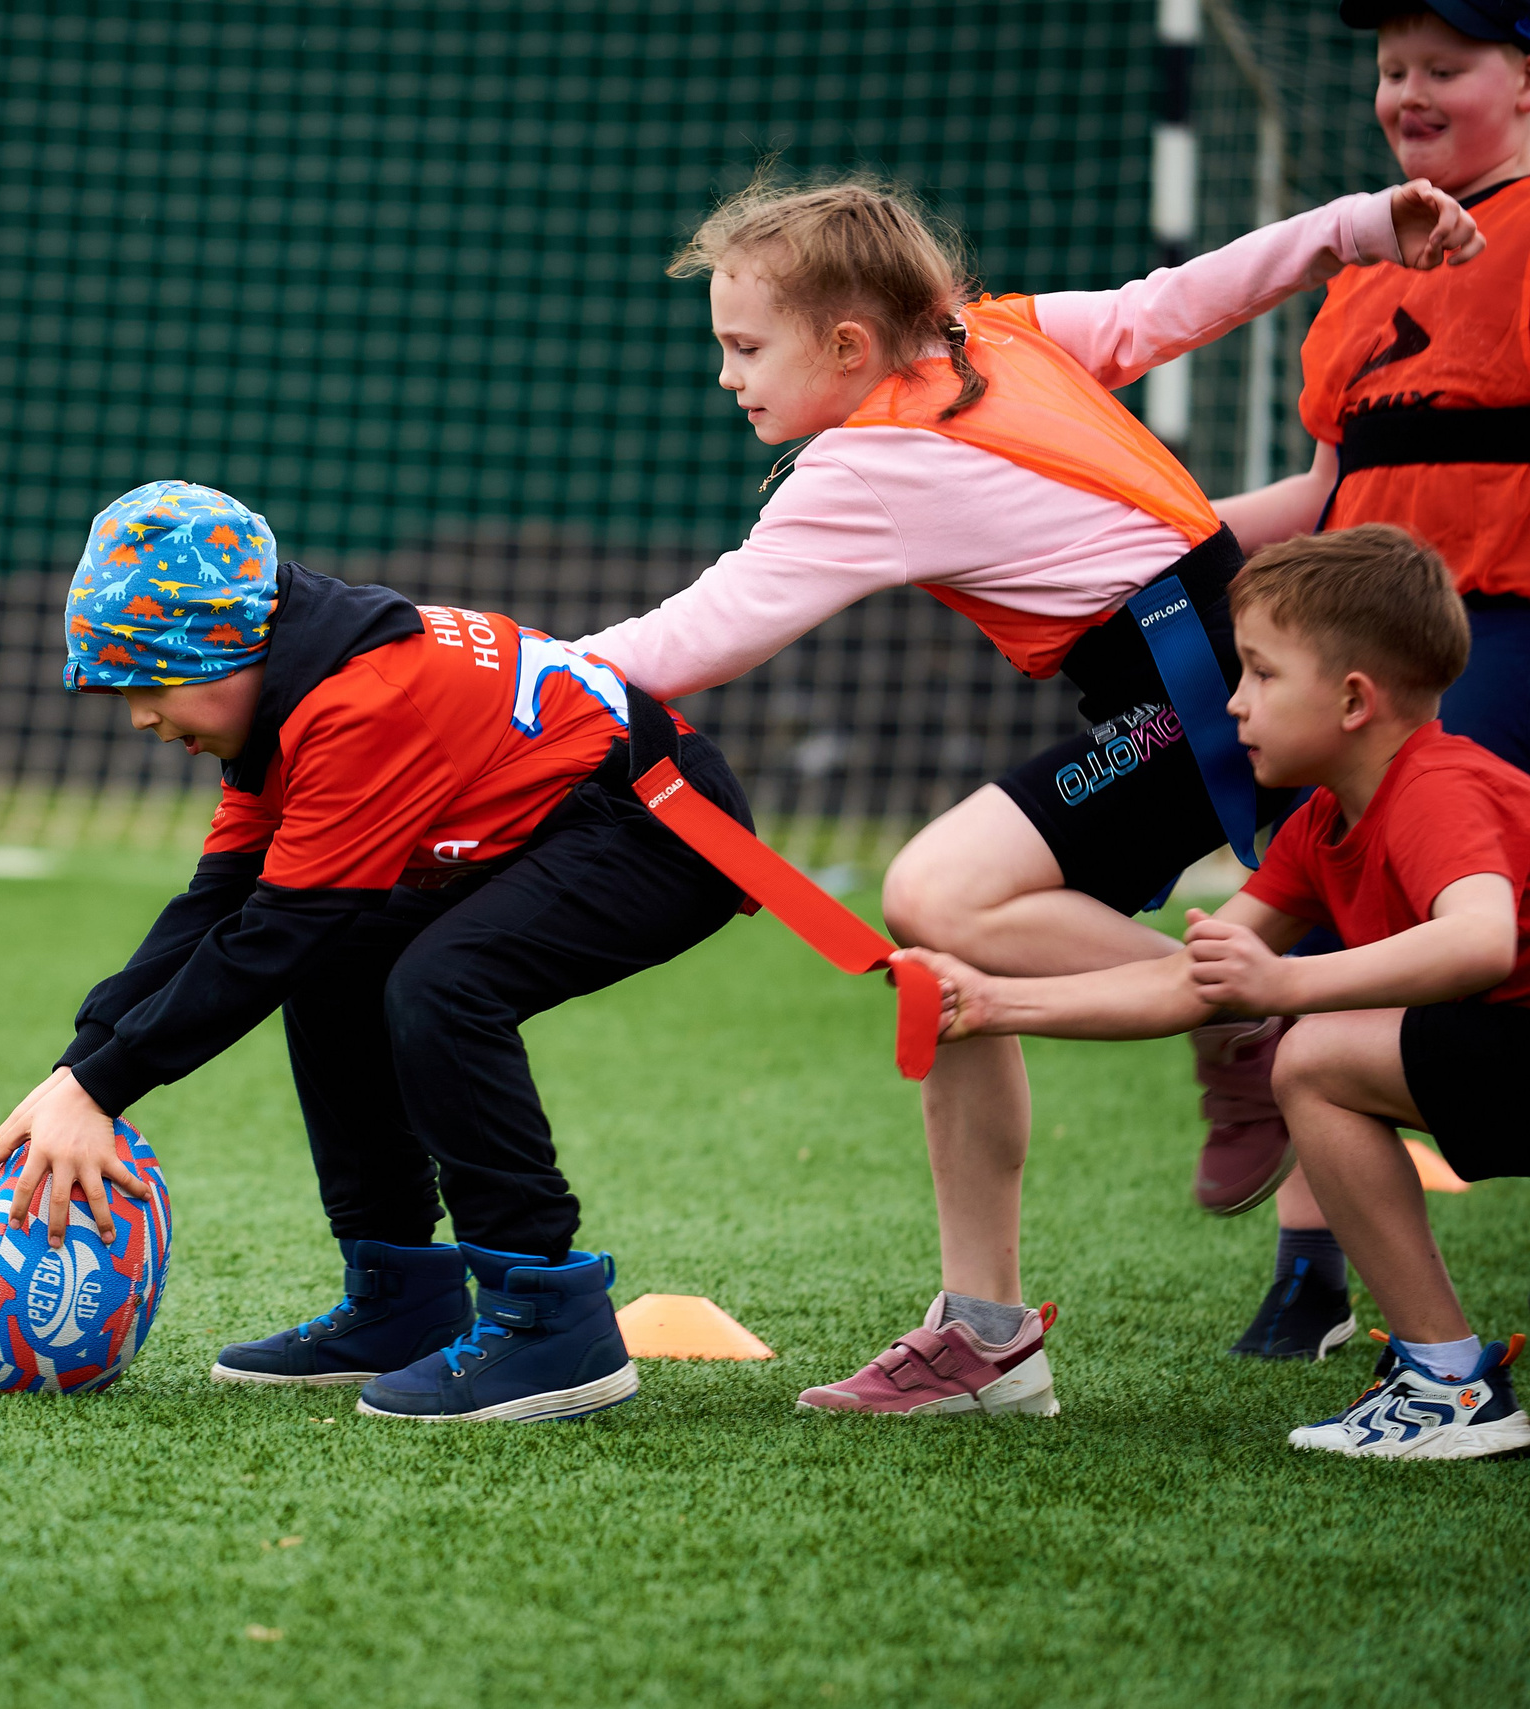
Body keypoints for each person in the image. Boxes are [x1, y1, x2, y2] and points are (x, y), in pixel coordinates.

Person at [572, 174, 1481, 1416]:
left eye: (744, 346)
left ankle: (1243, 1016)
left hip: (1201, 693)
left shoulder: (867, 460)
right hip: (1202, 668)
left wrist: (513, 672)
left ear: (848, 346)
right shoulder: (991, 334)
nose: (727, 376)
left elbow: (696, 636)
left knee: (934, 890)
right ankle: (984, 1333)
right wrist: (1354, 224)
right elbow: (1180, 299)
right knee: (940, 955)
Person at [0, 480, 755, 1423]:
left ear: (219, 652)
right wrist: (79, 1069)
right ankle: (402, 1298)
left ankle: (550, 1319)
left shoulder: (361, 701)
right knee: (339, 965)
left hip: (660, 825)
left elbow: (276, 934)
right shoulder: (288, 693)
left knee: (444, 984)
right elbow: (217, 904)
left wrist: (103, 1086)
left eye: (147, 685)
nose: (140, 718)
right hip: (571, 821)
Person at [894, 526, 1530, 1460]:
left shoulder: (1437, 786)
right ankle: (1447, 1380)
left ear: (1354, 699)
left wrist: (1286, 982)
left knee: (1314, 1057)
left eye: (1261, 674)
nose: (1233, 701)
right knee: (1316, 1061)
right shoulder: (1322, 824)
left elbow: (1479, 939)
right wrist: (993, 1003)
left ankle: (1448, 1381)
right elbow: (1187, 983)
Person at [1194, 0, 1530, 1364]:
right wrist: (1152, 545)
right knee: (1321, 931)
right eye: (1393, 70)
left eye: (1446, 66)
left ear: (1525, 80)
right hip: (1361, 658)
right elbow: (1330, 493)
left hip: (1501, 628)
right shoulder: (1367, 263)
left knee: (1441, 941)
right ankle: (1313, 1270)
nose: (1408, 92)